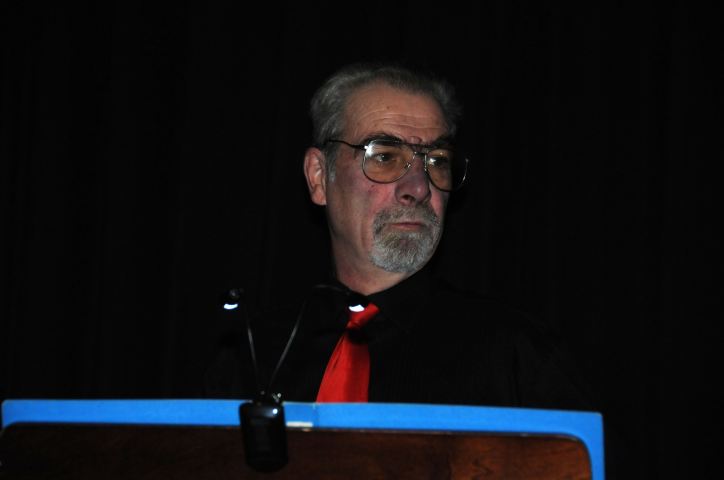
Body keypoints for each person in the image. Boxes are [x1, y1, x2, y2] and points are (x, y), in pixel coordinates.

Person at [204, 61, 594, 411]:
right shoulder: (253, 357)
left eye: (437, 161)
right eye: (385, 156)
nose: (419, 188)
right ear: (319, 177)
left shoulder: (517, 357)